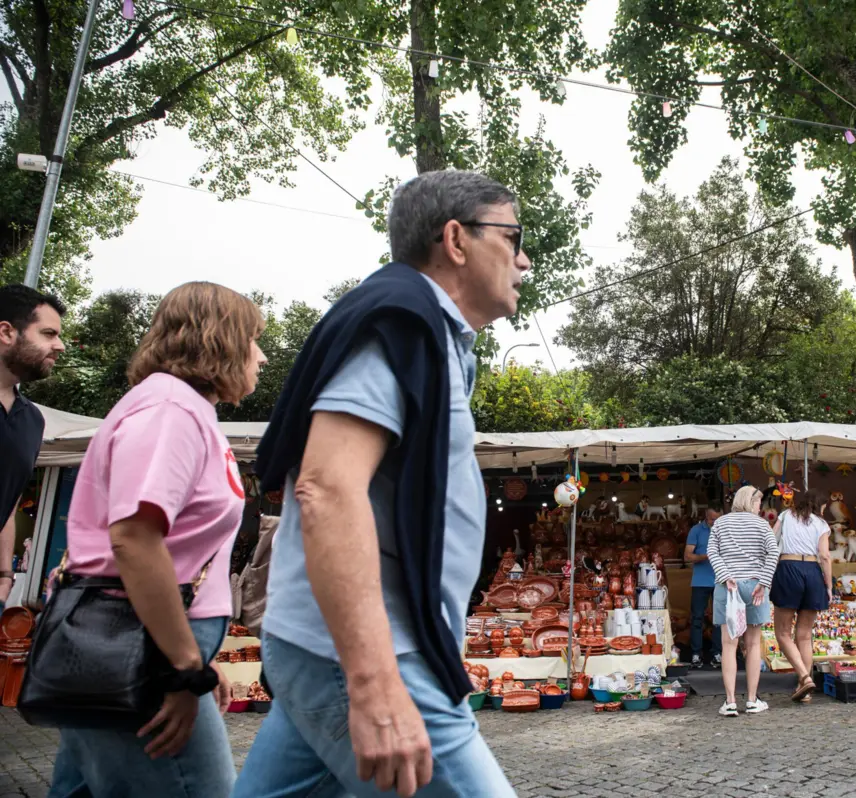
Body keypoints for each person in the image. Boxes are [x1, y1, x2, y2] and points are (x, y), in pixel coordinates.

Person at [235, 170, 530, 798]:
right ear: (456, 239)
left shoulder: (431, 332)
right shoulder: (401, 322)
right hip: (368, 656)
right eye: (514, 236)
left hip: (327, 650)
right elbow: (326, 488)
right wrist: (371, 685)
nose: (524, 260)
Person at [48, 282, 266, 797]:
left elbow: (179, 551)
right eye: (254, 340)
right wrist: (184, 668)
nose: (259, 355)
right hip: (138, 655)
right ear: (222, 341)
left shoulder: (181, 409)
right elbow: (134, 540)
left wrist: (198, 654)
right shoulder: (171, 411)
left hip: (141, 646)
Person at [0, 284, 65, 604]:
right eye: (49, 333)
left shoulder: (31, 422)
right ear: (7, 332)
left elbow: (7, 505)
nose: (60, 346)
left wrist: (4, 576)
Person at [708, 485, 779, 717]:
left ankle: (729, 701)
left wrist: (725, 575)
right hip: (754, 586)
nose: (761, 507)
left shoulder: (721, 523)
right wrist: (764, 581)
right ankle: (751, 700)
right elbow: (773, 553)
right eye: (758, 503)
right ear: (750, 502)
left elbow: (712, 552)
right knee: (753, 645)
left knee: (729, 645)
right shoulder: (761, 525)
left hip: (727, 587)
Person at [770, 490, 833, 703]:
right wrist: (829, 585)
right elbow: (824, 556)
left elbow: (771, 540)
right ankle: (804, 688)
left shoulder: (786, 515)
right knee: (805, 635)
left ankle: (805, 678)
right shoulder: (822, 524)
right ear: (818, 506)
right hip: (813, 571)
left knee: (783, 633)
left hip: (788, 567)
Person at [685, 508, 721, 668]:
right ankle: (696, 654)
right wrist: (706, 556)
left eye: (717, 519)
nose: (715, 523)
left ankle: (718, 653)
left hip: (721, 581)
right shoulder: (696, 530)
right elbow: (687, 556)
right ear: (706, 516)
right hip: (700, 581)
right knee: (697, 618)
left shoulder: (724, 529)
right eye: (712, 519)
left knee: (720, 620)